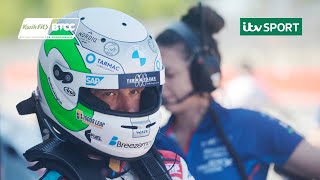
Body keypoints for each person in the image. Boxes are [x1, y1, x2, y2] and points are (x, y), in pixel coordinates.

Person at [16, 7, 194, 180]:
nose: (130, 108)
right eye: (109, 93)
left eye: (135, 91)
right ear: (66, 91)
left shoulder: (173, 168)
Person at [154, 4, 320, 180]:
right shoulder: (153, 143)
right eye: (157, 76)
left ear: (203, 73)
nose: (161, 85)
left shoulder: (251, 126)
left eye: (170, 75)